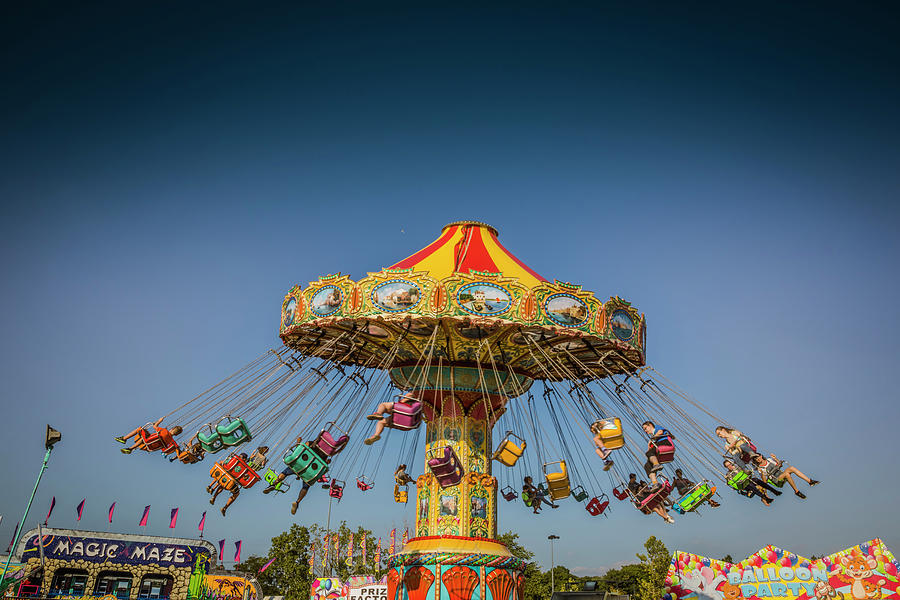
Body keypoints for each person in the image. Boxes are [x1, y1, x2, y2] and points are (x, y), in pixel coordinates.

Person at [262, 436, 329, 515]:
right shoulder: (325, 454)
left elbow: (298, 451)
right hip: (309, 472)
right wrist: (327, 463)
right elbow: (321, 467)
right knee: (306, 486)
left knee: (286, 472)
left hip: (298, 465)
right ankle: (297, 502)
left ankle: (274, 484)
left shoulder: (311, 443)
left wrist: (298, 442)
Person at [751, 453, 819, 499]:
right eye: (756, 459)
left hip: (781, 474)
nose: (758, 459)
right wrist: (762, 473)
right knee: (786, 474)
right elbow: (764, 481)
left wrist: (775, 458)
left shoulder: (769, 460)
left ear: (761, 456)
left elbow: (779, 465)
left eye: (758, 457)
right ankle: (796, 491)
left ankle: (809, 481)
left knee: (791, 468)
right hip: (776, 480)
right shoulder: (760, 468)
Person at [116, 417, 182, 455]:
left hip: (148, 441)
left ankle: (124, 439)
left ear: (172, 429)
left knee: (139, 429)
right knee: (143, 439)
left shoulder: (164, 431)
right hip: (151, 447)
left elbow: (154, 426)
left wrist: (159, 421)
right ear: (176, 434)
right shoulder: (170, 441)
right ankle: (130, 449)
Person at [641, 421, 674, 486]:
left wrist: (651, 439)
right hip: (659, 446)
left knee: (649, 453)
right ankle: (655, 483)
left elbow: (660, 432)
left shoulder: (656, 427)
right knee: (647, 466)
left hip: (666, 443)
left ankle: (656, 464)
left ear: (650, 425)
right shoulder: (654, 436)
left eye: (645, 428)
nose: (645, 431)